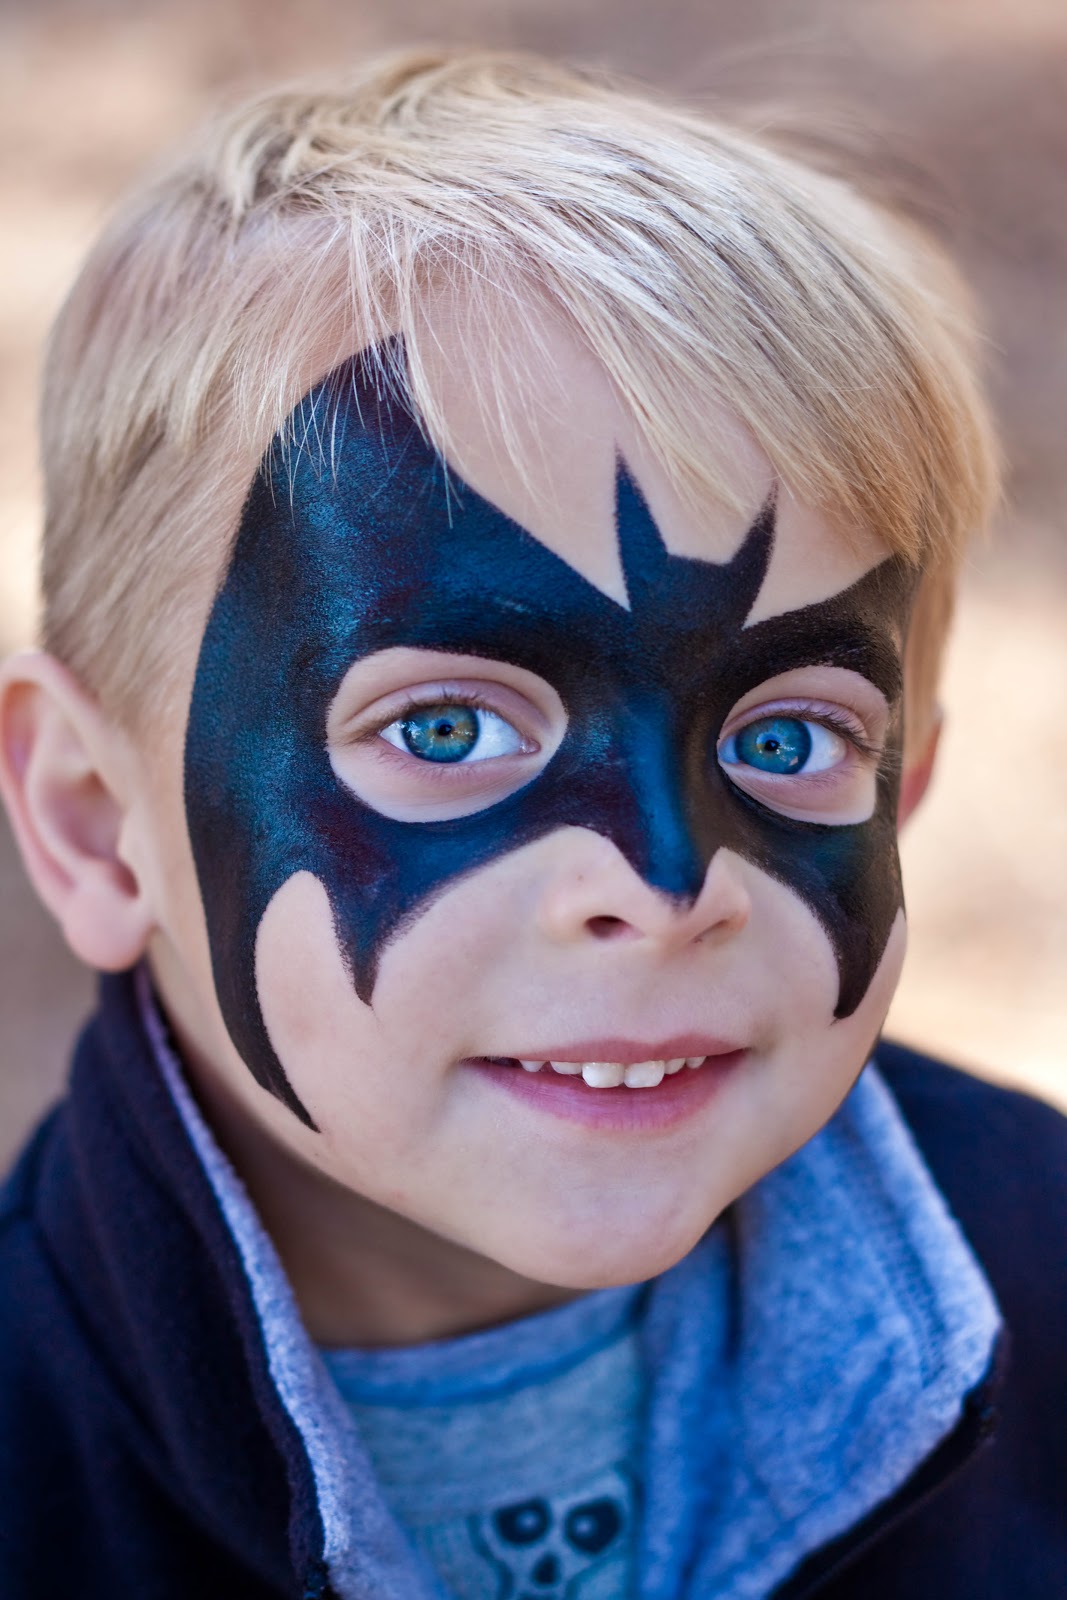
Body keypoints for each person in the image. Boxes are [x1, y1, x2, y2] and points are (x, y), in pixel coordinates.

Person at [0, 48, 1063, 1600]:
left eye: (786, 736)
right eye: (447, 731)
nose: (665, 879)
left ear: (900, 797)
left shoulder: (1039, 1261)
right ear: (98, 827)